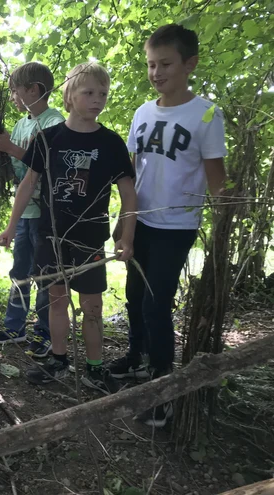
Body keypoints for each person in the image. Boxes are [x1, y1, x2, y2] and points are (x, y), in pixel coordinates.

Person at [108, 24, 227, 427]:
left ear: (189, 64)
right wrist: (123, 221)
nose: (156, 73)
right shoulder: (143, 112)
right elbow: (131, 174)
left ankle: (164, 390)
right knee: (134, 296)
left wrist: (230, 203)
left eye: (166, 64)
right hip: (140, 221)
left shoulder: (206, 114)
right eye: (151, 64)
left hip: (176, 226)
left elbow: (216, 179)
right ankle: (136, 359)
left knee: (157, 306)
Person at [0, 62, 137, 395]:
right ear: (70, 97)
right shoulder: (49, 138)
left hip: (89, 238)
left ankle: (94, 368)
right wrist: (10, 226)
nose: (97, 100)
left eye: (102, 93)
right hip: (51, 236)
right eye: (89, 92)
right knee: (56, 301)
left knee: (92, 308)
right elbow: (27, 184)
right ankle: (58, 360)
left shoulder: (111, 143)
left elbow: (129, 193)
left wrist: (126, 237)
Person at [0, 62, 64, 358]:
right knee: (20, 271)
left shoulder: (54, 121)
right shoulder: (22, 124)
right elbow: (18, 168)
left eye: (15, 91)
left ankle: (44, 332)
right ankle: (14, 327)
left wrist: (12, 148)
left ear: (34, 90)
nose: (12, 98)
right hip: (24, 213)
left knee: (44, 274)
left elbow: (45, 165)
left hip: (44, 213)